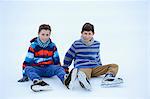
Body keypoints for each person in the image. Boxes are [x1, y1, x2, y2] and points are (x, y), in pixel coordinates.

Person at [63, 23, 123, 91]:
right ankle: (83, 81)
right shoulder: (76, 44)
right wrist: (65, 67)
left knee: (114, 66)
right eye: (85, 33)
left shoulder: (97, 44)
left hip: (95, 67)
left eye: (89, 33)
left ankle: (108, 78)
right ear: (81, 33)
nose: (87, 36)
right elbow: (69, 55)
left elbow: (97, 56)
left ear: (93, 33)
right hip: (83, 67)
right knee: (83, 73)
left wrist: (100, 66)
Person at [18, 24, 77, 92]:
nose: (45, 37)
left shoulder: (52, 46)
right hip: (37, 69)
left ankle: (66, 80)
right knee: (28, 68)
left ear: (49, 35)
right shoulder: (33, 46)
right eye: (43, 34)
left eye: (47, 35)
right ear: (38, 34)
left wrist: (63, 71)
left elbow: (56, 60)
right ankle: (38, 82)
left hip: (49, 68)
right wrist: (24, 75)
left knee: (59, 68)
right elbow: (27, 61)